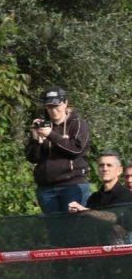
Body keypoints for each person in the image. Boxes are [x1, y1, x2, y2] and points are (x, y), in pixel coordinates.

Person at [24, 86, 90, 215]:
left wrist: (51, 135)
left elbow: (76, 150)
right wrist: (35, 138)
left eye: (56, 106)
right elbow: (33, 158)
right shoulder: (44, 126)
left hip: (72, 185)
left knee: (74, 227)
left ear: (65, 103)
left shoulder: (78, 124)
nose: (53, 110)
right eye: (49, 107)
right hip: (46, 188)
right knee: (53, 230)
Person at [68, 152, 132, 212]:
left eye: (109, 165)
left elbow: (113, 217)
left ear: (119, 170)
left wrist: (84, 211)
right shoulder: (93, 197)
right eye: (101, 165)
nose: (105, 169)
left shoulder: (126, 195)